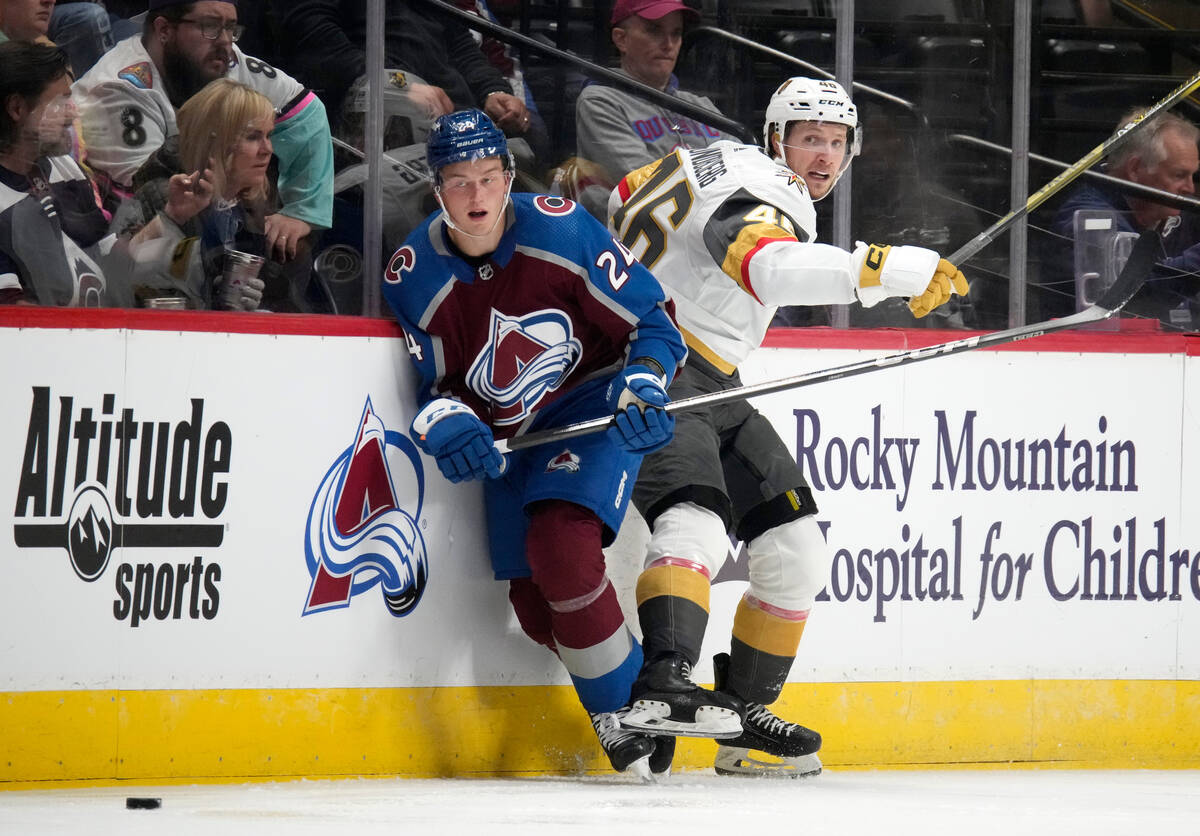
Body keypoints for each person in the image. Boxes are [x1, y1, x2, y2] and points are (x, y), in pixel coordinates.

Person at [606, 77, 968, 775]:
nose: (824, 157)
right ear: (777, 140)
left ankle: (740, 722)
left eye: (836, 142)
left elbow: (622, 200)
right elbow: (767, 267)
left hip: (711, 376)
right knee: (697, 524)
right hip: (656, 371)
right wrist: (880, 268)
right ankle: (664, 683)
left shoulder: (711, 159)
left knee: (797, 546)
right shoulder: (769, 187)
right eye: (809, 138)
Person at [383, 109, 737, 778]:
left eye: (489, 178)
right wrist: (449, 423)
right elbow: (432, 390)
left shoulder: (561, 227)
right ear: (436, 189)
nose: (478, 197)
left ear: (509, 176)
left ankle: (618, 718)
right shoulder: (412, 276)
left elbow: (655, 321)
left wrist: (642, 384)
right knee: (538, 608)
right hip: (511, 439)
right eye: (459, 183)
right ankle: (642, 695)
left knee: (560, 545)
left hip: (591, 401)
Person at [73, 0, 333, 262]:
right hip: (120, 249)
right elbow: (159, 194)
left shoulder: (225, 58)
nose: (225, 42)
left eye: (231, 28)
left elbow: (305, 114)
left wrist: (302, 212)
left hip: (207, 226)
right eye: (210, 26)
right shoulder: (116, 89)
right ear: (164, 29)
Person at [111, 78, 330, 311]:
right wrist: (170, 218)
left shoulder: (255, 207)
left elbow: (289, 307)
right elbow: (119, 274)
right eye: (253, 137)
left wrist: (264, 307)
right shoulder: (165, 196)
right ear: (215, 141)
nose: (268, 149)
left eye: (268, 135)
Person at [274, 1, 534, 150]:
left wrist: (493, 91)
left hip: (458, 118)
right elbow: (315, 37)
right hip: (384, 121)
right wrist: (398, 83)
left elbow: (461, 47)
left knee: (530, 141)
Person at [573, 0, 737, 215]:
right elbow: (650, 185)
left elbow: (747, 167)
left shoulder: (700, 105)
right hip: (643, 237)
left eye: (676, 33)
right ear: (621, 39)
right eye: (654, 30)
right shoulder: (600, 101)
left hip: (716, 223)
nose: (668, 44)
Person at [0, 40, 129, 306]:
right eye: (61, 102)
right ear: (17, 109)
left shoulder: (65, 168)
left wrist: (171, 216)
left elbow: (101, 255)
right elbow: (15, 316)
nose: (73, 115)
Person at [1052, 109, 1200, 328]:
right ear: (1135, 169)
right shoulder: (1088, 216)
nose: (1189, 188)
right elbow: (1133, 292)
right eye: (1179, 175)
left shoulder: (1171, 210)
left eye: (1193, 176)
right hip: (1095, 352)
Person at [48, 2, 140, 76]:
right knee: (89, 16)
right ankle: (85, 92)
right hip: (51, 10)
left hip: (108, 11)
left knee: (135, 32)